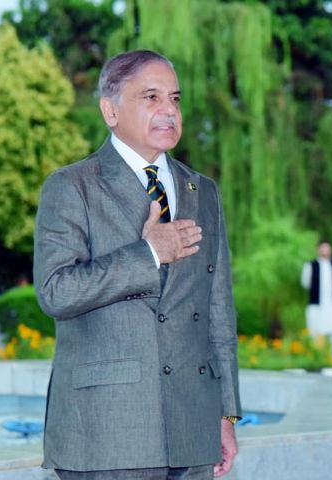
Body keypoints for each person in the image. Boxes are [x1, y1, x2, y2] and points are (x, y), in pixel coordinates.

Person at [34, 50, 240, 479]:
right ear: (110, 110)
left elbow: (218, 310)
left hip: (193, 429)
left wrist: (226, 414)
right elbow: (55, 291)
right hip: (106, 431)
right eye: (151, 97)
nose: (168, 110)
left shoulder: (202, 190)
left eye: (175, 99)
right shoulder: (72, 186)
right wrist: (147, 254)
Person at [301, 240, 332, 360]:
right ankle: (316, 353)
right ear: (318, 250)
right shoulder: (310, 265)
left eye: (327, 248)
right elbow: (305, 283)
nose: (324, 251)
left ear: (331, 249)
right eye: (322, 248)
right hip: (317, 304)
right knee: (315, 328)